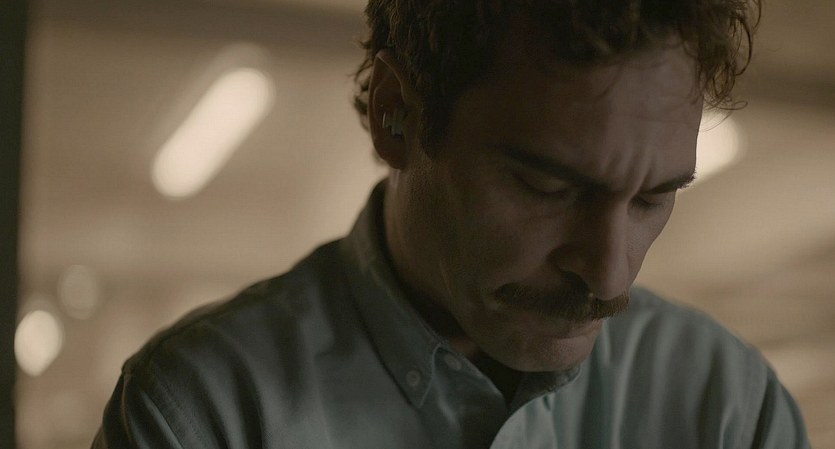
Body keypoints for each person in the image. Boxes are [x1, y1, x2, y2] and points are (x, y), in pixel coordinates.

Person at [93, 1, 812, 448]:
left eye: (653, 198)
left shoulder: (728, 405)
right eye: (548, 186)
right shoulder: (202, 412)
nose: (608, 273)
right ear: (395, 115)